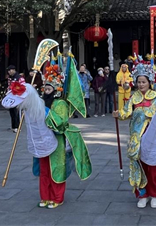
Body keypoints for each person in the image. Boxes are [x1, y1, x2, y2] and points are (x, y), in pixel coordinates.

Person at [20, 64, 92, 208]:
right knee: (44, 170)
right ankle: (45, 196)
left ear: (56, 90)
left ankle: (57, 197)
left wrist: (44, 111)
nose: (46, 91)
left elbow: (61, 123)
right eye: (45, 89)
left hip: (56, 140)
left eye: (49, 89)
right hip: (41, 141)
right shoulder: (39, 102)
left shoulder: (60, 103)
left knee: (56, 168)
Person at [112, 65, 156, 209]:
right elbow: (126, 112)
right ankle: (142, 194)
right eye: (139, 82)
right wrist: (119, 114)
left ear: (149, 82)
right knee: (139, 167)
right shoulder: (133, 98)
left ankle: (155, 193)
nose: (141, 84)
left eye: (144, 82)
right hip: (137, 138)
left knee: (155, 167)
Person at [6, 65, 21, 132]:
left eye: (10, 70)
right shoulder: (11, 77)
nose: (9, 72)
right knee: (12, 111)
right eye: (8, 71)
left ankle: (17, 126)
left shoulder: (18, 77)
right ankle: (13, 126)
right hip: (11, 96)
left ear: (13, 70)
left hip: (16, 96)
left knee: (16, 112)